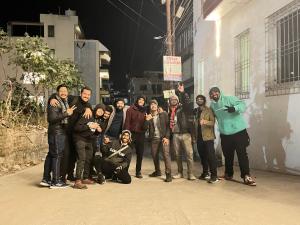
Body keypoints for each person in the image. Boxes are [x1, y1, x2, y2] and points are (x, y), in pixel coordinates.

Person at [209, 86, 256, 186]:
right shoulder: (212, 105)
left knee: (242, 154)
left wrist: (234, 108)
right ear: (210, 96)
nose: (214, 94)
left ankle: (246, 176)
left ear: (219, 92)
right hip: (225, 134)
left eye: (216, 92)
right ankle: (228, 174)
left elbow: (243, 105)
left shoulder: (229, 98)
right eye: (212, 93)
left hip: (238, 132)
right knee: (227, 155)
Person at [49, 87, 93, 182]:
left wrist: (88, 108)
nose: (86, 96)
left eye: (88, 95)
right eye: (85, 94)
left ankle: (70, 175)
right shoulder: (73, 99)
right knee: (66, 155)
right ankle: (62, 176)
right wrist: (52, 98)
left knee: (73, 155)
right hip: (66, 132)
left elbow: (87, 110)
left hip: (77, 134)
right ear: (81, 93)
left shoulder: (88, 105)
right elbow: (61, 95)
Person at [40, 84, 76, 188]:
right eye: (61, 91)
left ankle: (46, 179)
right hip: (57, 132)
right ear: (57, 92)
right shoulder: (55, 102)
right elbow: (51, 119)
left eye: (65, 91)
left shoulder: (63, 101)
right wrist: (67, 114)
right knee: (57, 155)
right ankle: (56, 181)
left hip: (58, 132)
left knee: (51, 155)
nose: (64, 93)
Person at [169, 83, 196, 180]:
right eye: (172, 100)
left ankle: (191, 174)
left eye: (175, 99)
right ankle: (180, 172)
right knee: (177, 155)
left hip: (185, 134)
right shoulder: (169, 110)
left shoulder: (183, 108)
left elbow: (187, 103)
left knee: (189, 155)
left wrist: (183, 93)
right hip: (175, 135)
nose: (173, 101)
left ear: (178, 100)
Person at [144, 99, 172, 182]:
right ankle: (157, 171)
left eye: (154, 104)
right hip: (154, 139)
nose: (153, 105)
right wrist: (146, 120)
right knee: (154, 155)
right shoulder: (149, 116)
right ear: (150, 107)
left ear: (157, 106)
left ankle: (168, 174)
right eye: (151, 104)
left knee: (166, 155)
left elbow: (168, 127)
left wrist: (167, 137)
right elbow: (144, 128)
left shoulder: (163, 114)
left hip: (163, 138)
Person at [193, 95, 218, 183]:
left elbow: (213, 122)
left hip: (208, 137)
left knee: (211, 156)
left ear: (204, 100)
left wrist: (205, 122)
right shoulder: (196, 111)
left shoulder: (209, 110)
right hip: (199, 137)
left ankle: (214, 176)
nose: (199, 100)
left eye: (201, 99)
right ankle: (205, 173)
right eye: (197, 99)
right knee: (202, 156)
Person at [124, 95, 146, 178]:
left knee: (140, 154)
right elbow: (127, 122)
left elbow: (145, 124)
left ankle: (138, 171)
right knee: (128, 153)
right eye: (140, 99)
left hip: (141, 134)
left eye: (143, 100)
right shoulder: (130, 109)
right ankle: (125, 170)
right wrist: (126, 134)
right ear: (137, 100)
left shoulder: (144, 111)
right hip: (131, 134)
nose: (141, 101)